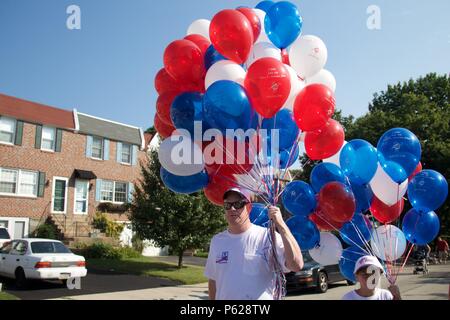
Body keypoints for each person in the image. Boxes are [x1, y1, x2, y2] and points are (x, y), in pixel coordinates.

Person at [204, 188, 303, 300]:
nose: (232, 208)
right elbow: (213, 280)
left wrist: (280, 224)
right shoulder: (217, 241)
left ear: (249, 208)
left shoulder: (267, 236)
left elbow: (296, 265)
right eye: (227, 205)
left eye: (238, 204)